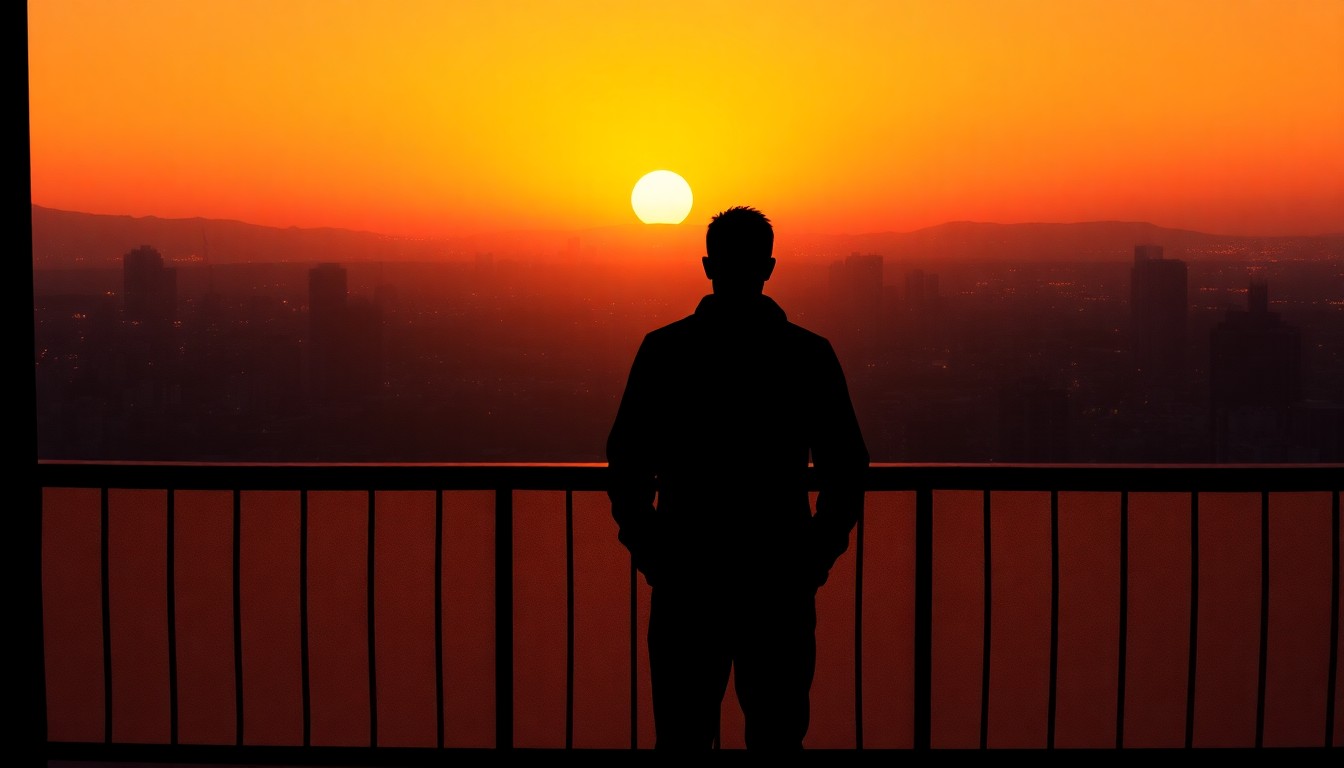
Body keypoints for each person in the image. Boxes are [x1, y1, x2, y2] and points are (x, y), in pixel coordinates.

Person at [607, 206, 869, 750]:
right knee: (777, 735)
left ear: (708, 265)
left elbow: (627, 462)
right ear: (769, 267)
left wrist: (655, 553)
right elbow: (846, 468)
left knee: (682, 735)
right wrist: (814, 557)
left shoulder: (666, 350)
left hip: (688, 572)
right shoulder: (808, 355)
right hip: (778, 575)